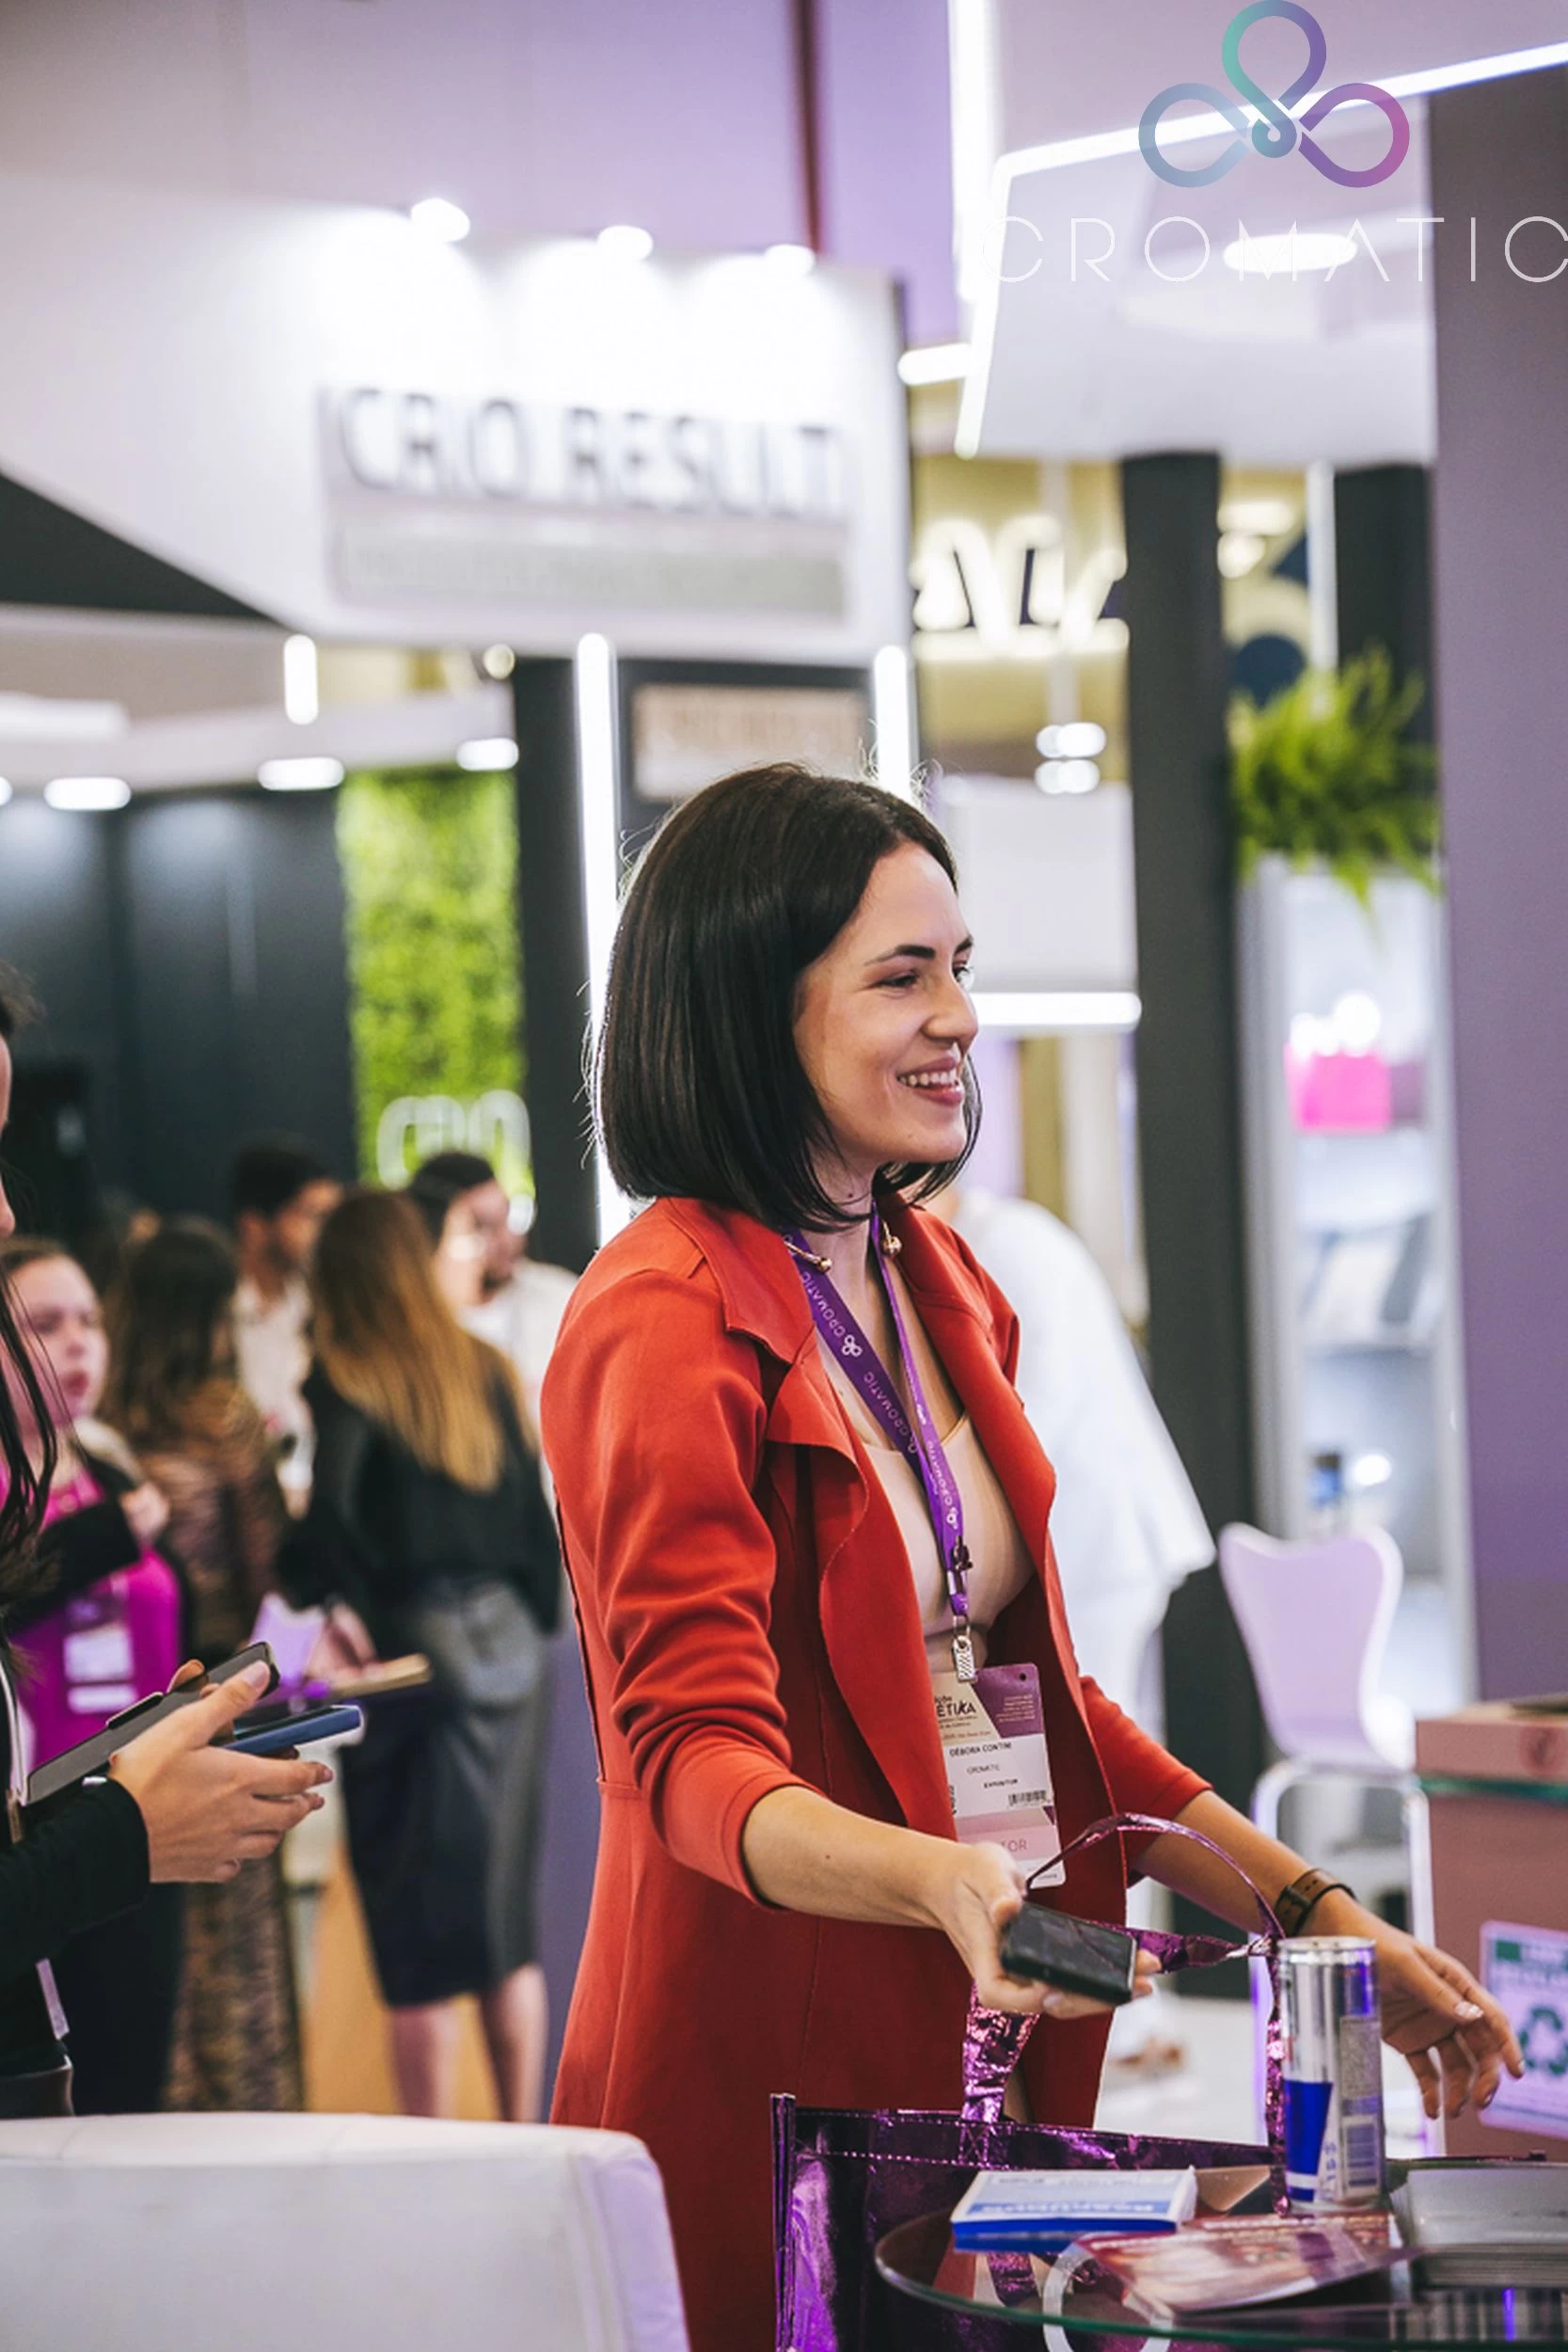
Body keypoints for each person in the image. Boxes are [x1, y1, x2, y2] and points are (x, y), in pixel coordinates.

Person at [540, 765, 1523, 2352]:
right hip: (763, 2075)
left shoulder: (936, 1277)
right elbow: (688, 1762)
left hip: (971, 2034)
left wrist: (1313, 1913)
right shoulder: (658, 1318)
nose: (957, 1018)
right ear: (746, 1008)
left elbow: (1044, 1708)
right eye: (899, 977)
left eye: (959, 966)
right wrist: (937, 1876)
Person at [0, 971, 332, 2119]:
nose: (6, 1214)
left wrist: (124, 1787)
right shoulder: (134, 1461)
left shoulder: (104, 1453)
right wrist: (122, 1824)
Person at [277, 1189, 561, 2122]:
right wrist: (526, 1629)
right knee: (506, 1934)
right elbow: (535, 1529)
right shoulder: (484, 1366)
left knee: (418, 1949)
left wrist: (341, 1603)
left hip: (413, 1664)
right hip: (512, 1657)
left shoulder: (346, 1374)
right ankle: (523, 2141)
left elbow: (328, 1527)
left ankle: (430, 2157)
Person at [104, 1218, 303, 2112]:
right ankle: (243, 2113)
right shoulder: (223, 1416)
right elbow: (273, 1573)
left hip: (125, 1712)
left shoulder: (102, 1430)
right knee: (236, 1937)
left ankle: (164, 2113)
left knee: (144, 1923)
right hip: (222, 1695)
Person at [0, 1232, 190, 2111]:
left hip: (143, 1802)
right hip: (41, 1835)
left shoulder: (109, 1464)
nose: (77, 1344)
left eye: (90, 1321)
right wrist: (105, 1538)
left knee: (134, 2085)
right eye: (45, 1325)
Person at [936, 1187, 1212, 1732]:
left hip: (1098, 1536)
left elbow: (1035, 1404)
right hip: (1080, 1533)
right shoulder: (979, 1241)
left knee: (1094, 1729)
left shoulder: (1010, 1242)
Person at [406, 1150, 577, 1432]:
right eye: (481, 1226)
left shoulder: (563, 1298)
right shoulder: (414, 1330)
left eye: (508, 1216)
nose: (506, 1238)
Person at [230, 1136, 341, 1482]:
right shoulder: (219, 1313)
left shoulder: (323, 1307)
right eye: (313, 1216)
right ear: (254, 1225)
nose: (328, 1233)